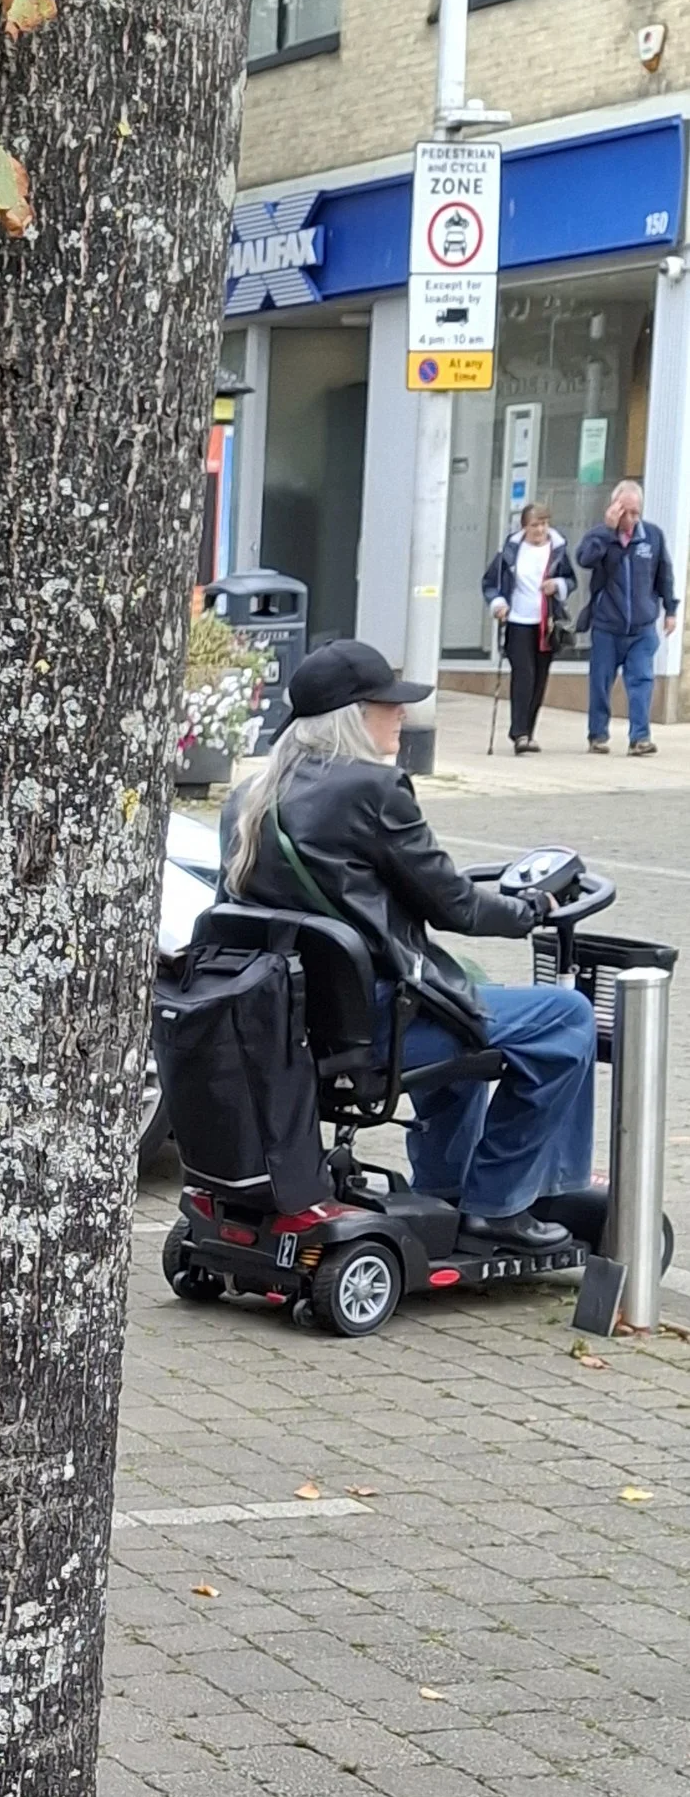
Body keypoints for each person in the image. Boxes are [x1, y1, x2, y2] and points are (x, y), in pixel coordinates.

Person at [223, 638, 595, 1248]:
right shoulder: (373, 788)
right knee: (565, 1020)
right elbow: (456, 904)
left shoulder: (248, 798)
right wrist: (531, 909)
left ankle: (445, 1194)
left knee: (473, 1010)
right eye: (387, 704)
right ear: (352, 717)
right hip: (375, 1027)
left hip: (296, 1030)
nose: (402, 714)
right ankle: (501, 1201)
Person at [574, 478, 678, 756]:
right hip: (607, 625)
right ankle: (597, 734)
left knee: (642, 679)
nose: (630, 518)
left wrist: (670, 609)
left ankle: (640, 738)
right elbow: (584, 559)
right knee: (601, 680)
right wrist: (608, 531)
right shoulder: (600, 535)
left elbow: (663, 574)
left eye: (635, 512)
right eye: (625, 512)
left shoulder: (652, 536)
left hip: (642, 626)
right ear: (613, 508)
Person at [482, 501, 575, 754]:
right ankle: (519, 732)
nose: (540, 530)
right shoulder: (510, 551)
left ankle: (528, 731)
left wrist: (557, 585)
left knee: (540, 679)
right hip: (518, 621)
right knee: (524, 675)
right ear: (524, 527)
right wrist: (498, 604)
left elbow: (571, 579)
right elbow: (491, 582)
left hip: (546, 622)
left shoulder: (557, 549)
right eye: (534, 525)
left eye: (544, 524)